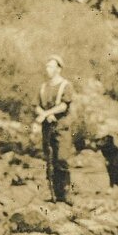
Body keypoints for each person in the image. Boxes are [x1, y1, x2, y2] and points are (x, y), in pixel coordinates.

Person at [33, 55, 74, 204]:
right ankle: (53, 195)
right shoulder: (43, 87)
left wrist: (47, 113)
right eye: (46, 66)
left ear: (58, 69)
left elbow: (64, 105)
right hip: (47, 128)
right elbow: (36, 105)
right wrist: (43, 114)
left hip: (61, 127)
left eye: (50, 66)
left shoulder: (65, 85)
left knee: (61, 159)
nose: (47, 69)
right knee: (49, 159)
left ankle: (65, 193)